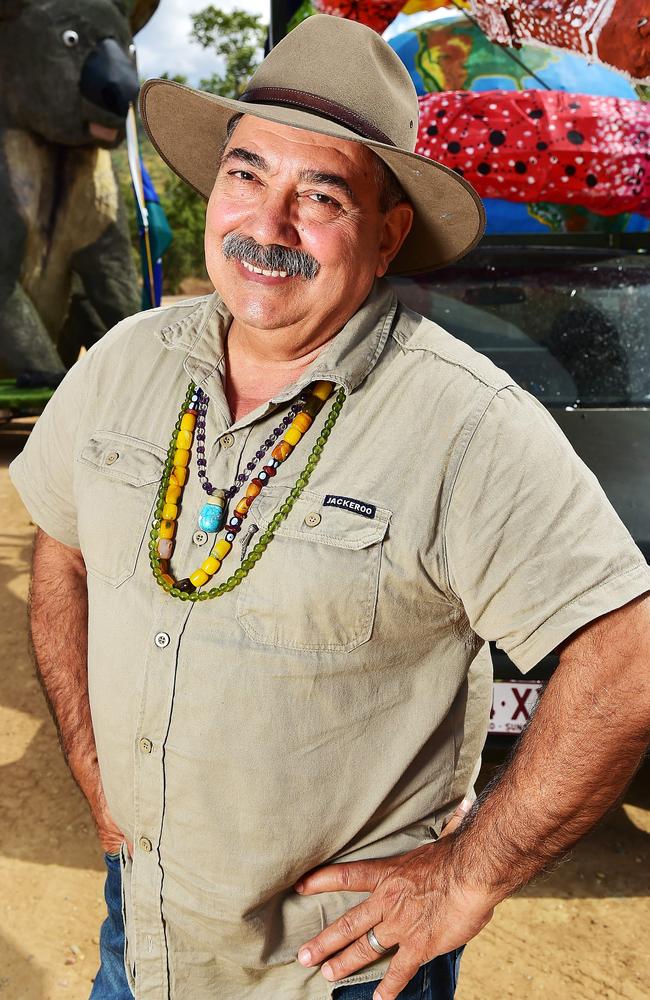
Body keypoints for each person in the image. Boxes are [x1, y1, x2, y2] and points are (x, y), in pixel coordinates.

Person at [9, 13, 650, 1000]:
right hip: (141, 931)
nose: (267, 225)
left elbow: (628, 652)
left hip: (335, 969)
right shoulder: (128, 361)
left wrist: (468, 872)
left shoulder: (462, 420)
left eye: (321, 194)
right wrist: (89, 753)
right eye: (247, 174)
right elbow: (58, 541)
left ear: (390, 233)